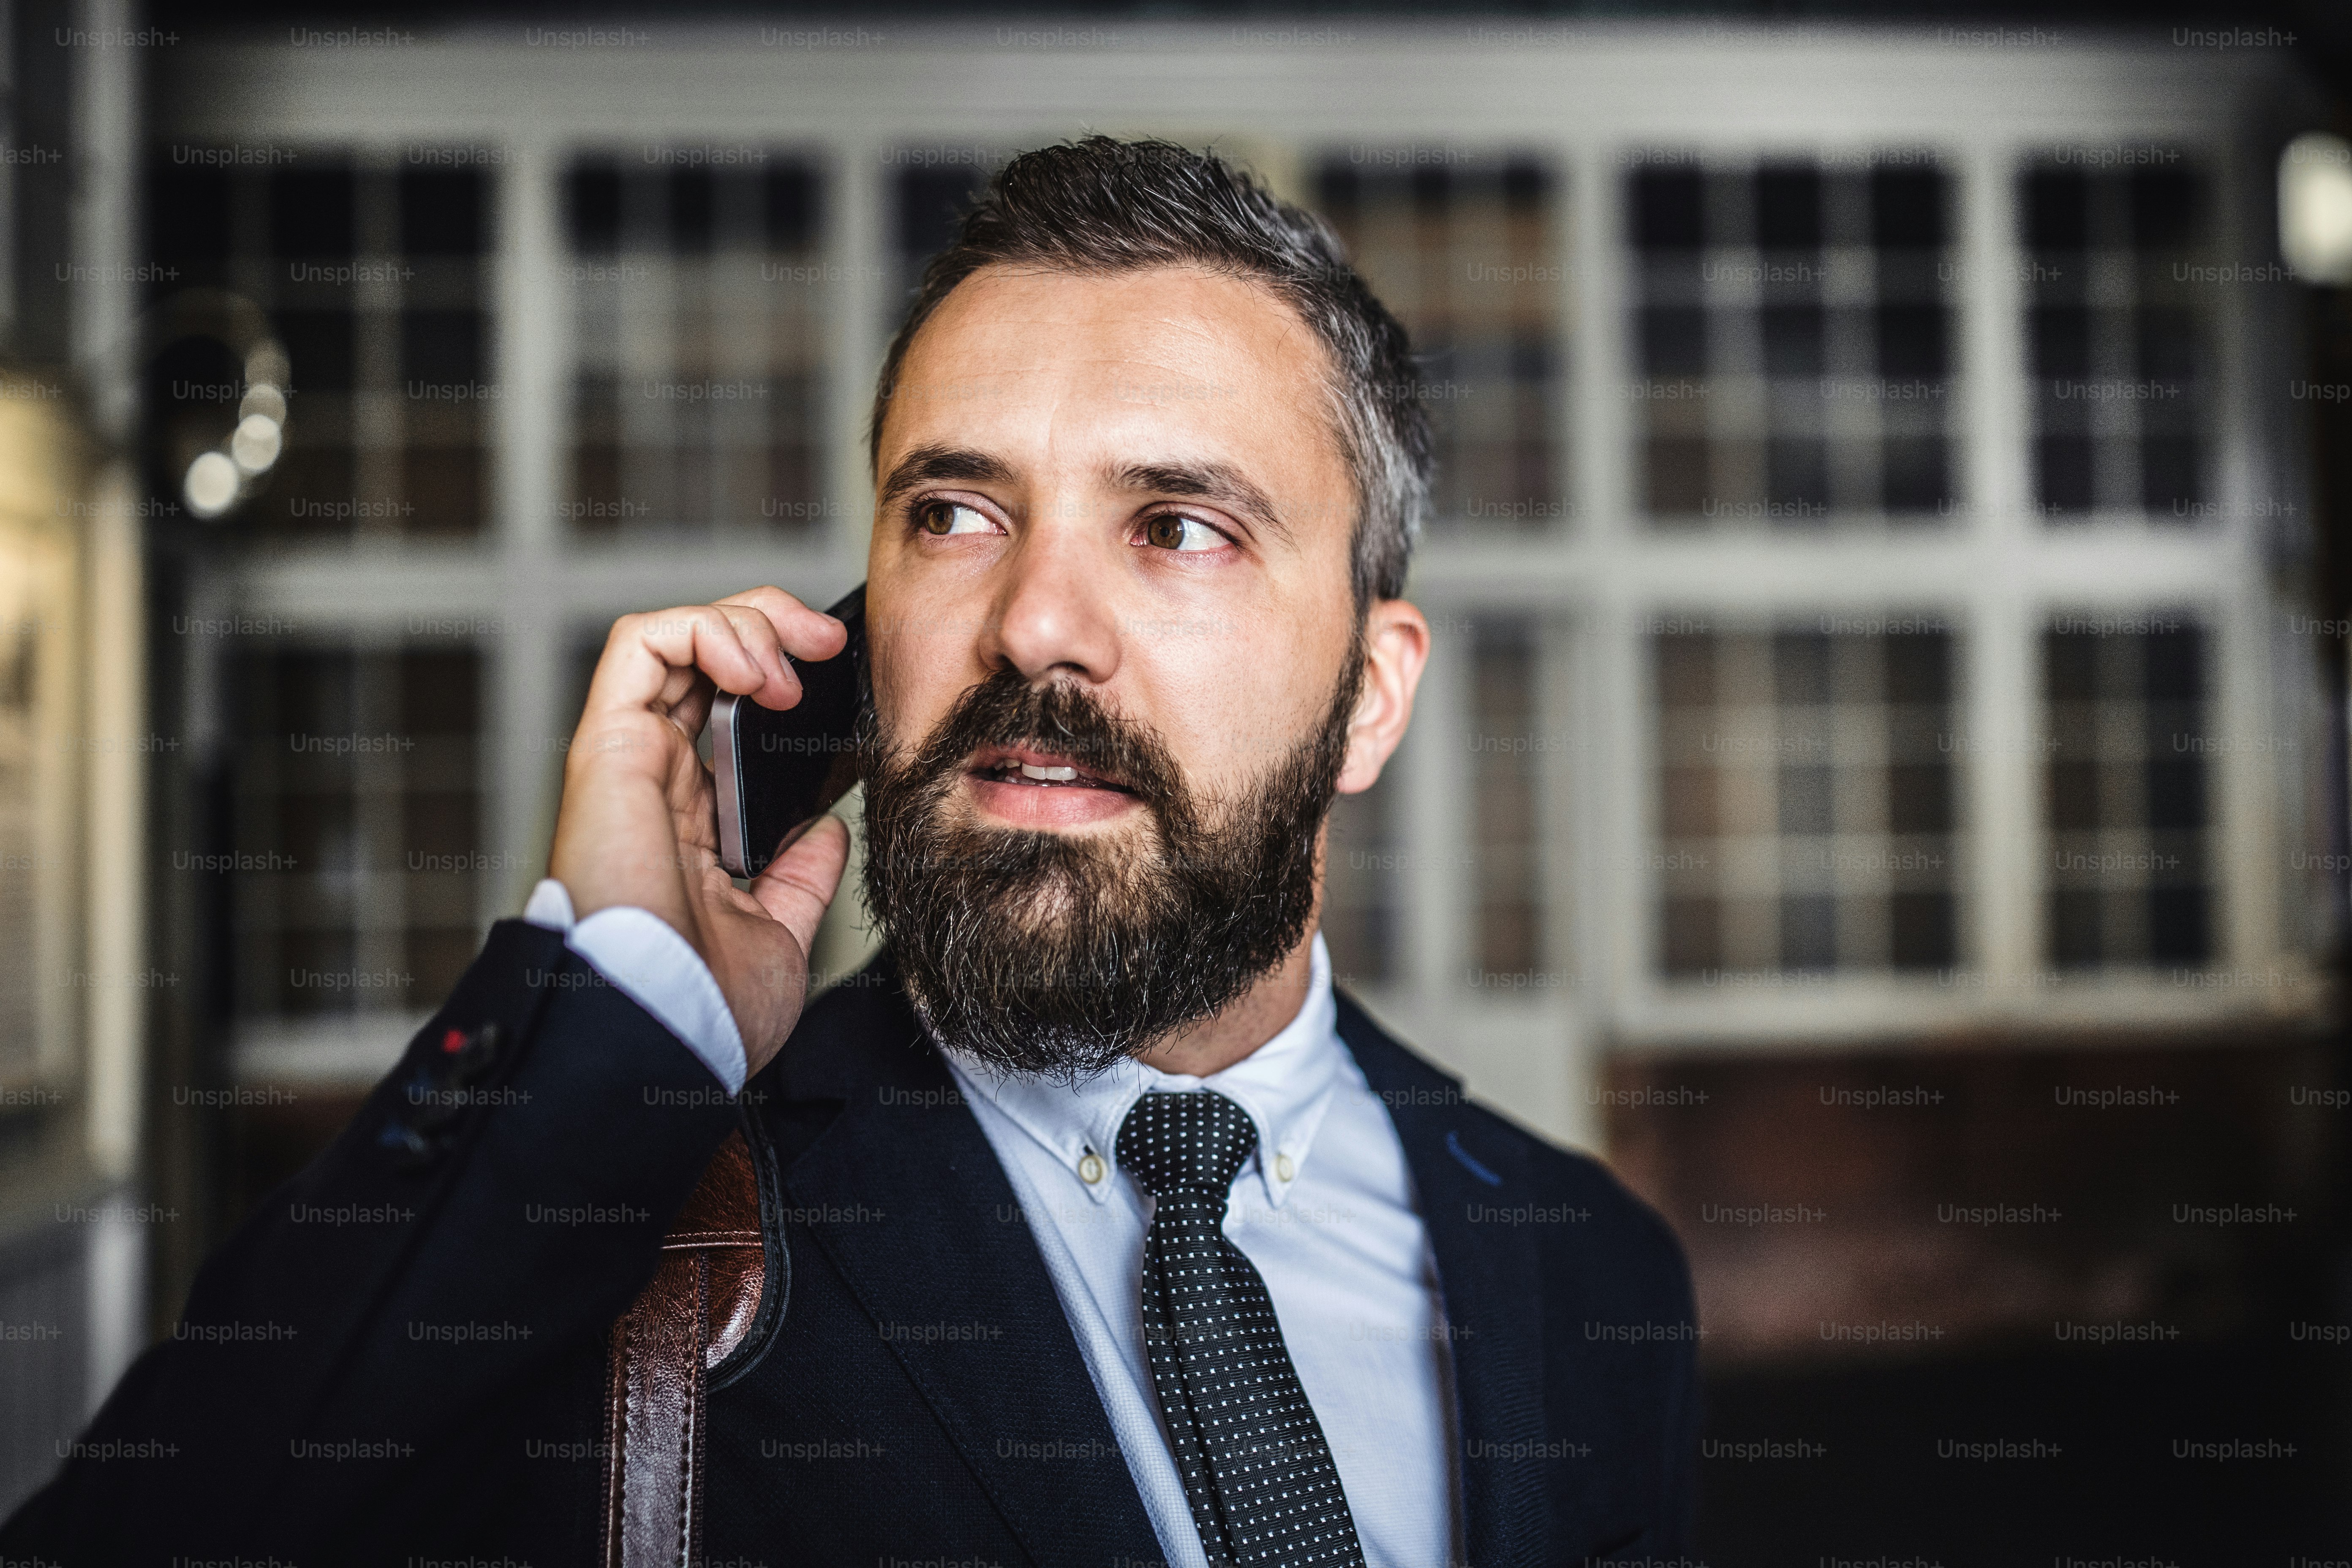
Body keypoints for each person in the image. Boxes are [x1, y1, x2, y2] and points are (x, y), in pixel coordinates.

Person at [3, 136, 1696, 1568]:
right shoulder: (621, 1213)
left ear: (1371, 693)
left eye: (1180, 527)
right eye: (953, 515)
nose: (1034, 620)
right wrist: (612, 1000)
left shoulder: (1588, 1269)